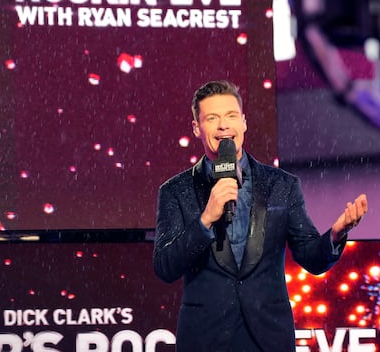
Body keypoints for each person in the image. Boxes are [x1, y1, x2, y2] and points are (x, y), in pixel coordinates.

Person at [153, 80, 368, 351]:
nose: (223, 125)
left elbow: (310, 257)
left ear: (244, 122)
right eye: (212, 118)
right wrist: (205, 220)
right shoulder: (176, 191)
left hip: (268, 337)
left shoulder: (282, 184)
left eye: (231, 116)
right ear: (197, 128)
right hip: (205, 338)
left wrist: (336, 234)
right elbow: (165, 266)